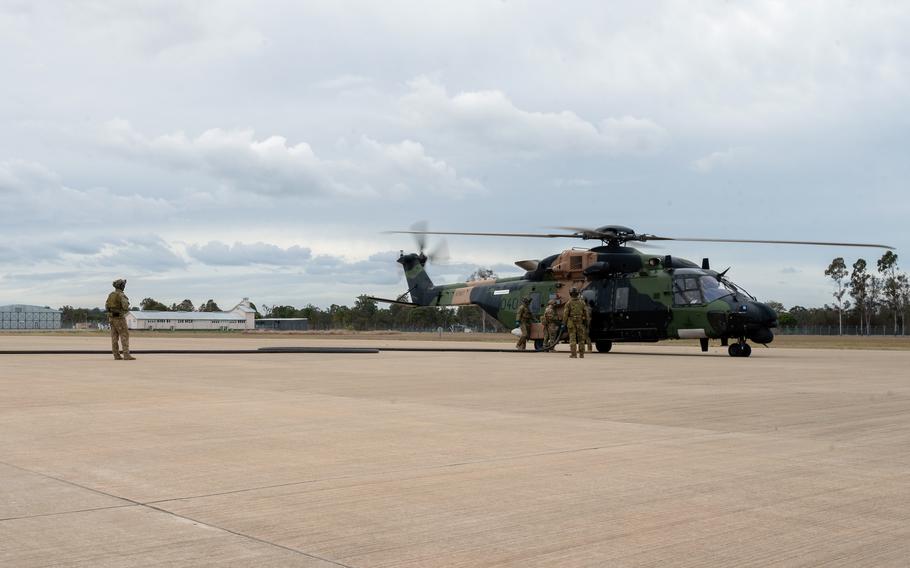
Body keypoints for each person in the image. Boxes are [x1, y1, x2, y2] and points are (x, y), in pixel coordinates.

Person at [106, 279, 135, 360]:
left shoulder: (111, 295)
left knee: (114, 337)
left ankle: (116, 355)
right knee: (124, 335)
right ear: (122, 286)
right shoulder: (121, 295)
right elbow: (125, 306)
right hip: (119, 318)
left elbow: (106, 306)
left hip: (111, 318)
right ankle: (126, 354)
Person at [562, 287, 586, 358]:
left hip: (571, 323)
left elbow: (565, 314)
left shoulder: (568, 303)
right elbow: (586, 313)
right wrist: (586, 322)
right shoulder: (582, 302)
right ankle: (581, 354)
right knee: (581, 338)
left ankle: (574, 354)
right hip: (580, 322)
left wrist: (564, 323)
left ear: (570, 294)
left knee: (572, 338)